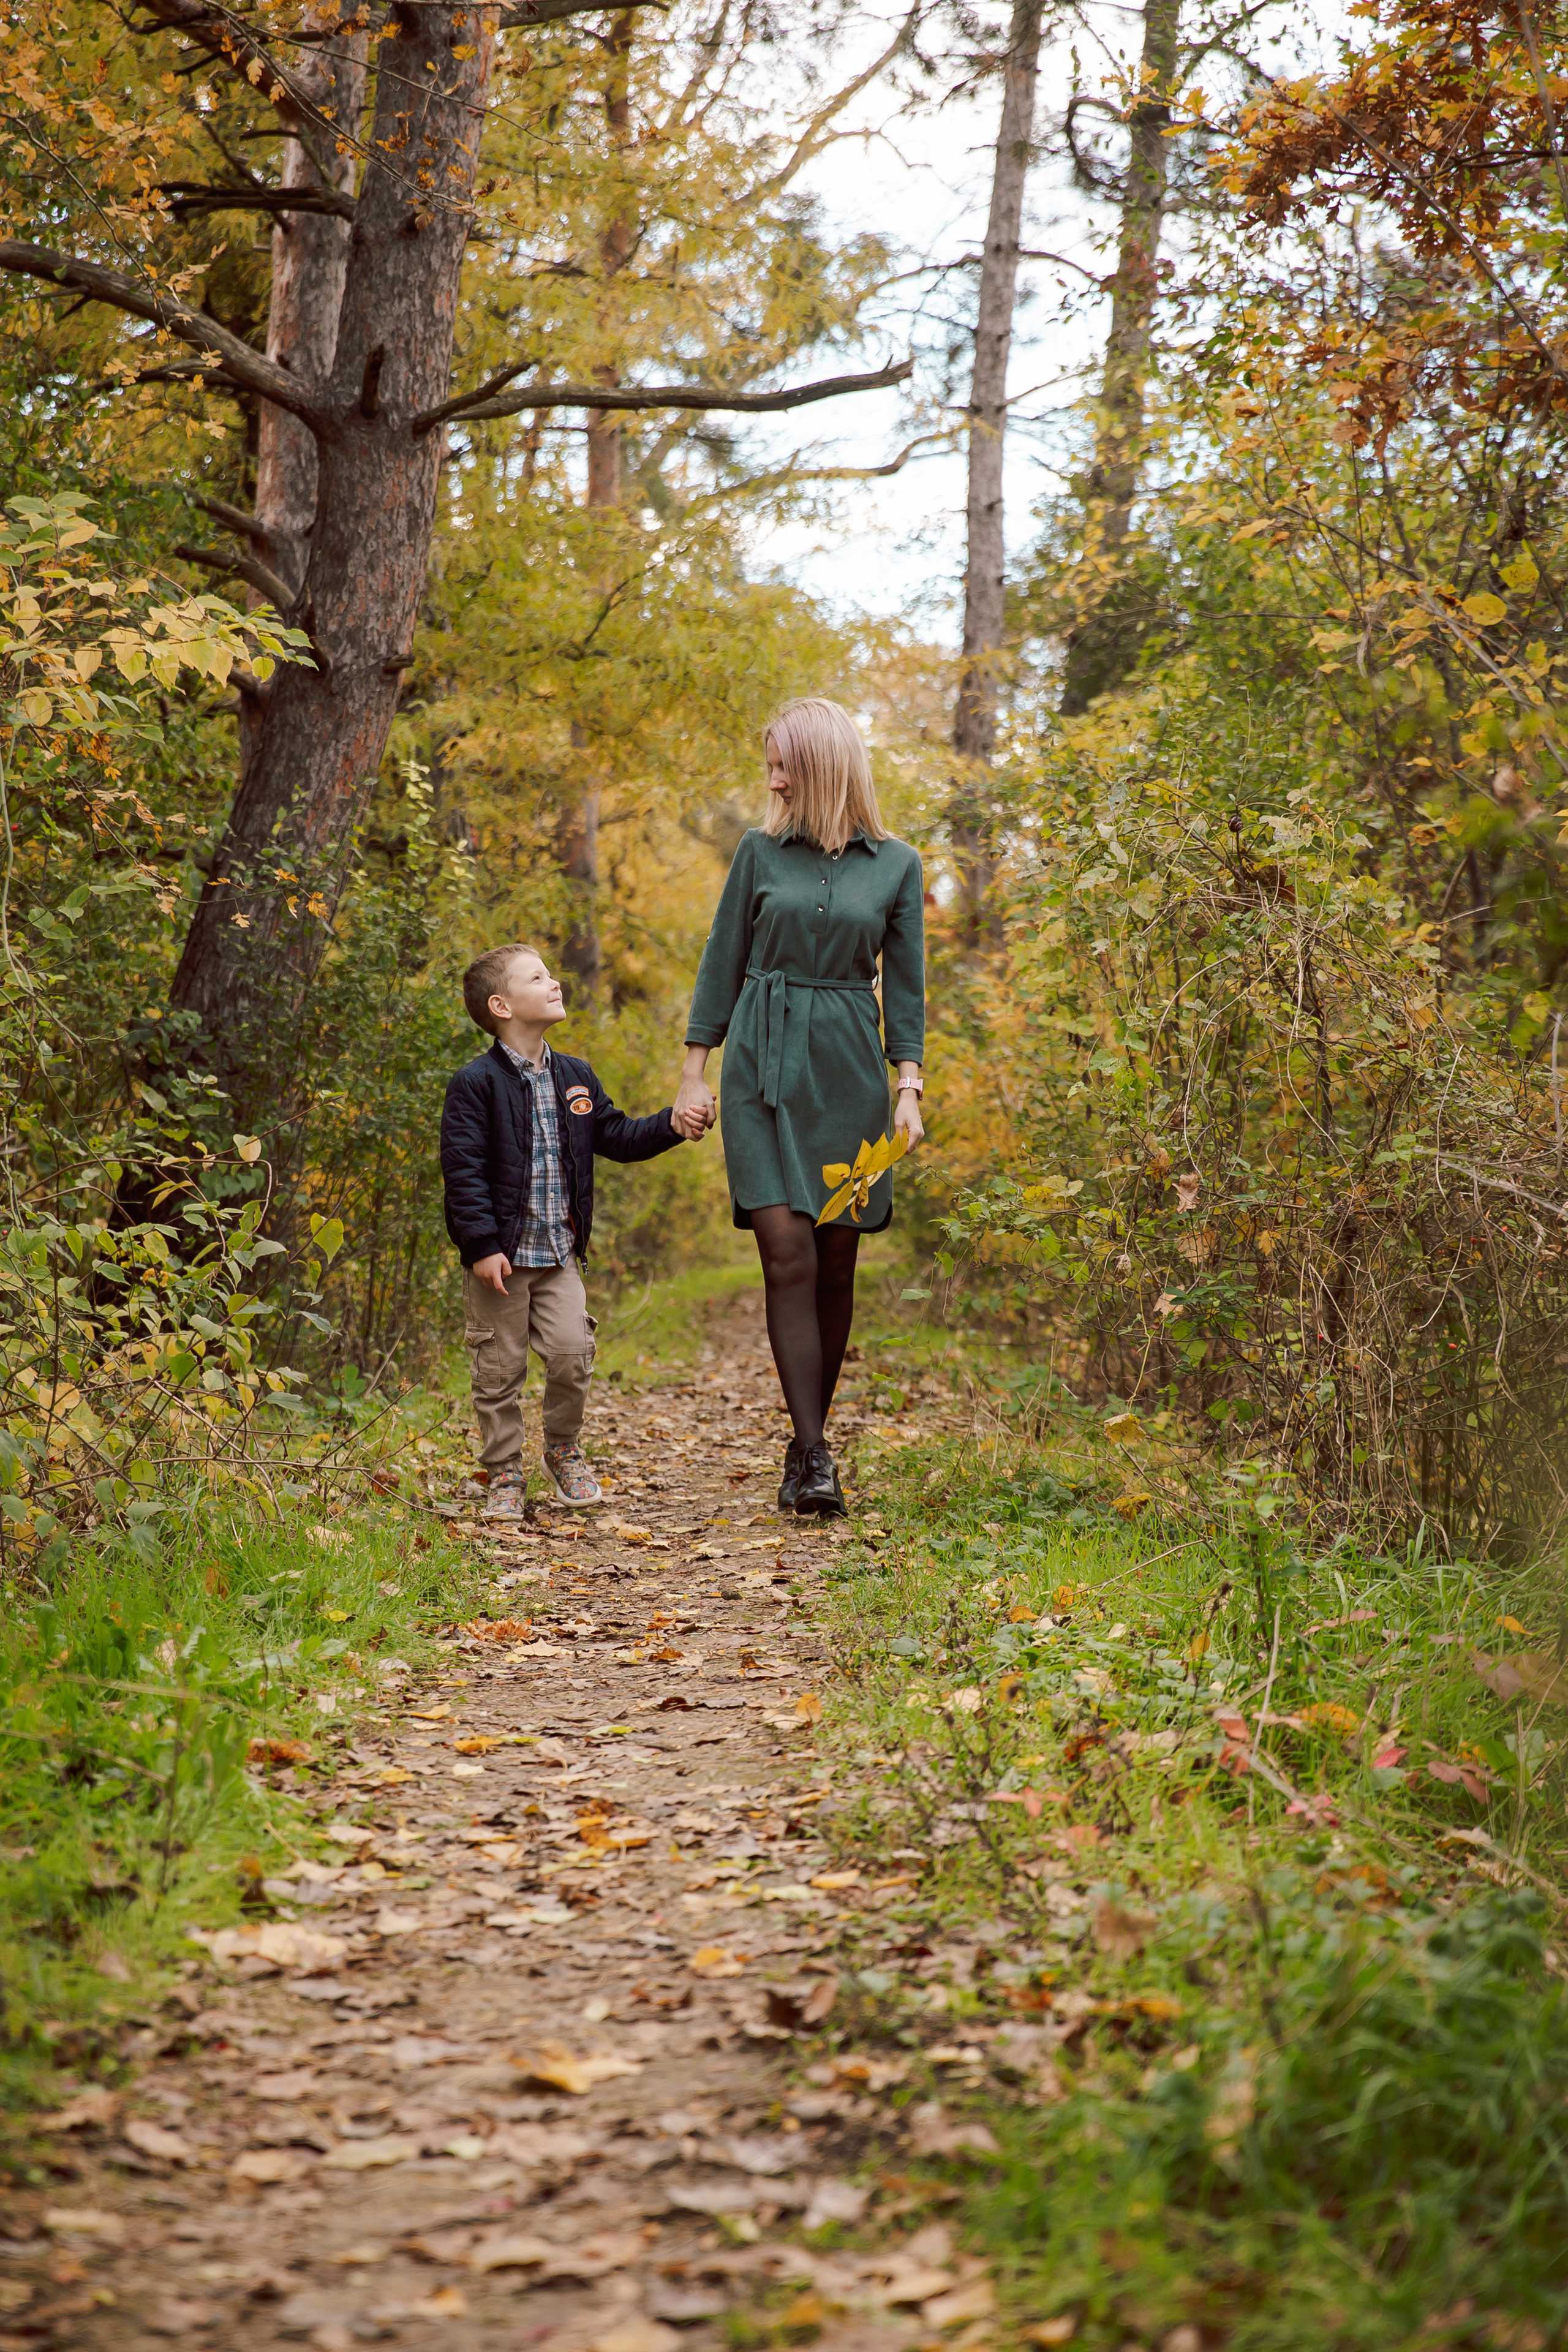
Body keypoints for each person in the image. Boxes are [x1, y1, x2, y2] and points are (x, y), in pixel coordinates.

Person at [675, 698, 925, 1518]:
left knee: (838, 1260)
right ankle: (816, 1456)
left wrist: (909, 1087)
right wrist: (694, 1072)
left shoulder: (896, 865)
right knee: (786, 1250)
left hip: (850, 1069)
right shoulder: (757, 853)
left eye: (783, 764)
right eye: (769, 764)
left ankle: (805, 1436)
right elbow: (722, 963)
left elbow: (910, 990)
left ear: (821, 766)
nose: (772, 779)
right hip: (761, 1063)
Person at [441, 944, 706, 1516]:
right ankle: (505, 1472)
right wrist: (482, 1246)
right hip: (502, 1264)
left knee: (571, 1354)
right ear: (502, 1005)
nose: (554, 981)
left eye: (551, 973)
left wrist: (672, 1125)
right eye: (537, 977)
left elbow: (617, 1135)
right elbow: (463, 1171)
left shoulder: (574, 1076)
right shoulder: (476, 1083)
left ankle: (562, 1449)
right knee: (499, 1369)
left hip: (558, 1254)